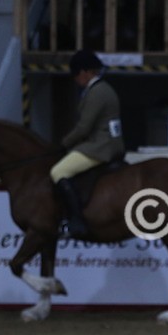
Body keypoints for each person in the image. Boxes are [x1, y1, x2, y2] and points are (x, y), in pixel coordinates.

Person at [50, 49, 125, 238]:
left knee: (58, 171)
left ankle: (76, 220)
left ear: (84, 72)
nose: (76, 80)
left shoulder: (96, 92)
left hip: (101, 146)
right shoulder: (103, 89)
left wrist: (64, 143)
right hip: (109, 142)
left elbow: (84, 127)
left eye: (76, 75)